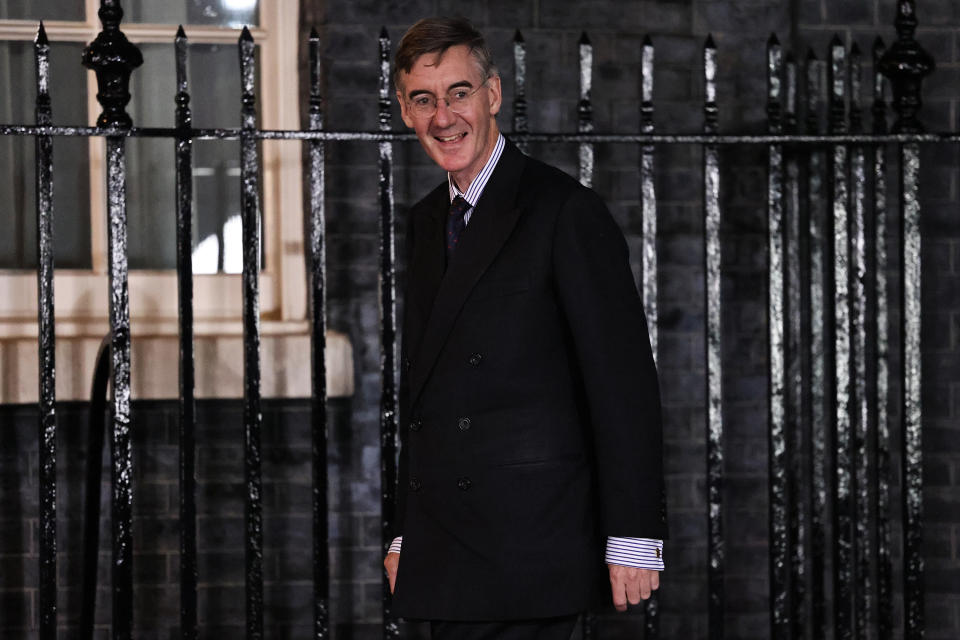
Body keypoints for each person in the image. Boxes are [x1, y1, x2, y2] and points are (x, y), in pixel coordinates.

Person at [383, 17, 667, 640]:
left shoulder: (565, 211)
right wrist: (410, 530)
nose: (443, 116)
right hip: (450, 541)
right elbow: (426, 394)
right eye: (423, 100)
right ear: (404, 112)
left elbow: (622, 385)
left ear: (492, 95)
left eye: (458, 93)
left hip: (532, 540)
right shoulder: (427, 222)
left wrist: (634, 535)